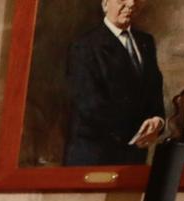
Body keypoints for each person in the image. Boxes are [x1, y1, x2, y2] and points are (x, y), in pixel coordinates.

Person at [63, 0, 167, 166]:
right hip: (95, 155)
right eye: (121, 0)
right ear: (105, 4)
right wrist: (136, 132)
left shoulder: (146, 41)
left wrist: (157, 120)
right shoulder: (84, 46)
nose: (131, 4)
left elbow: (153, 89)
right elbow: (89, 106)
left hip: (134, 155)